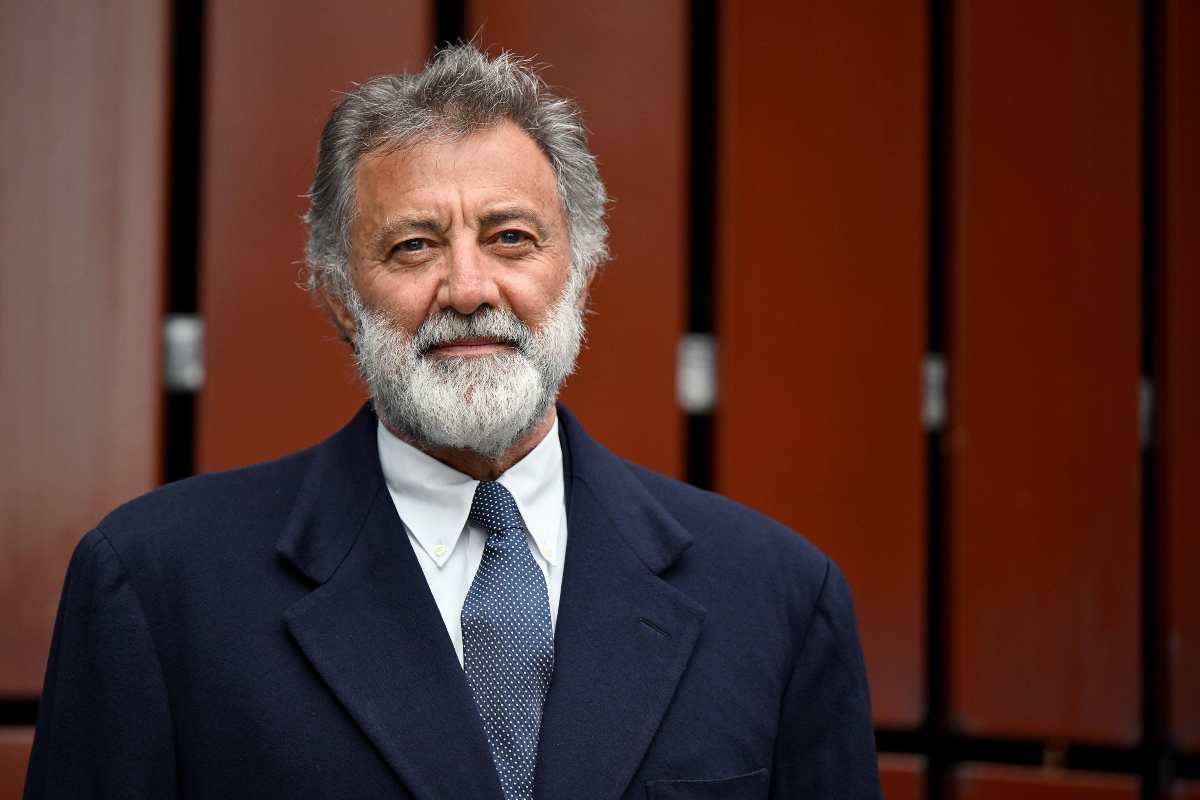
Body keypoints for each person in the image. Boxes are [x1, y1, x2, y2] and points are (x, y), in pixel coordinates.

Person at [25, 45, 881, 800]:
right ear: (339, 296)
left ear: (580, 273)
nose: (468, 290)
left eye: (510, 238)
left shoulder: (775, 598)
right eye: (414, 246)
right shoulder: (156, 586)